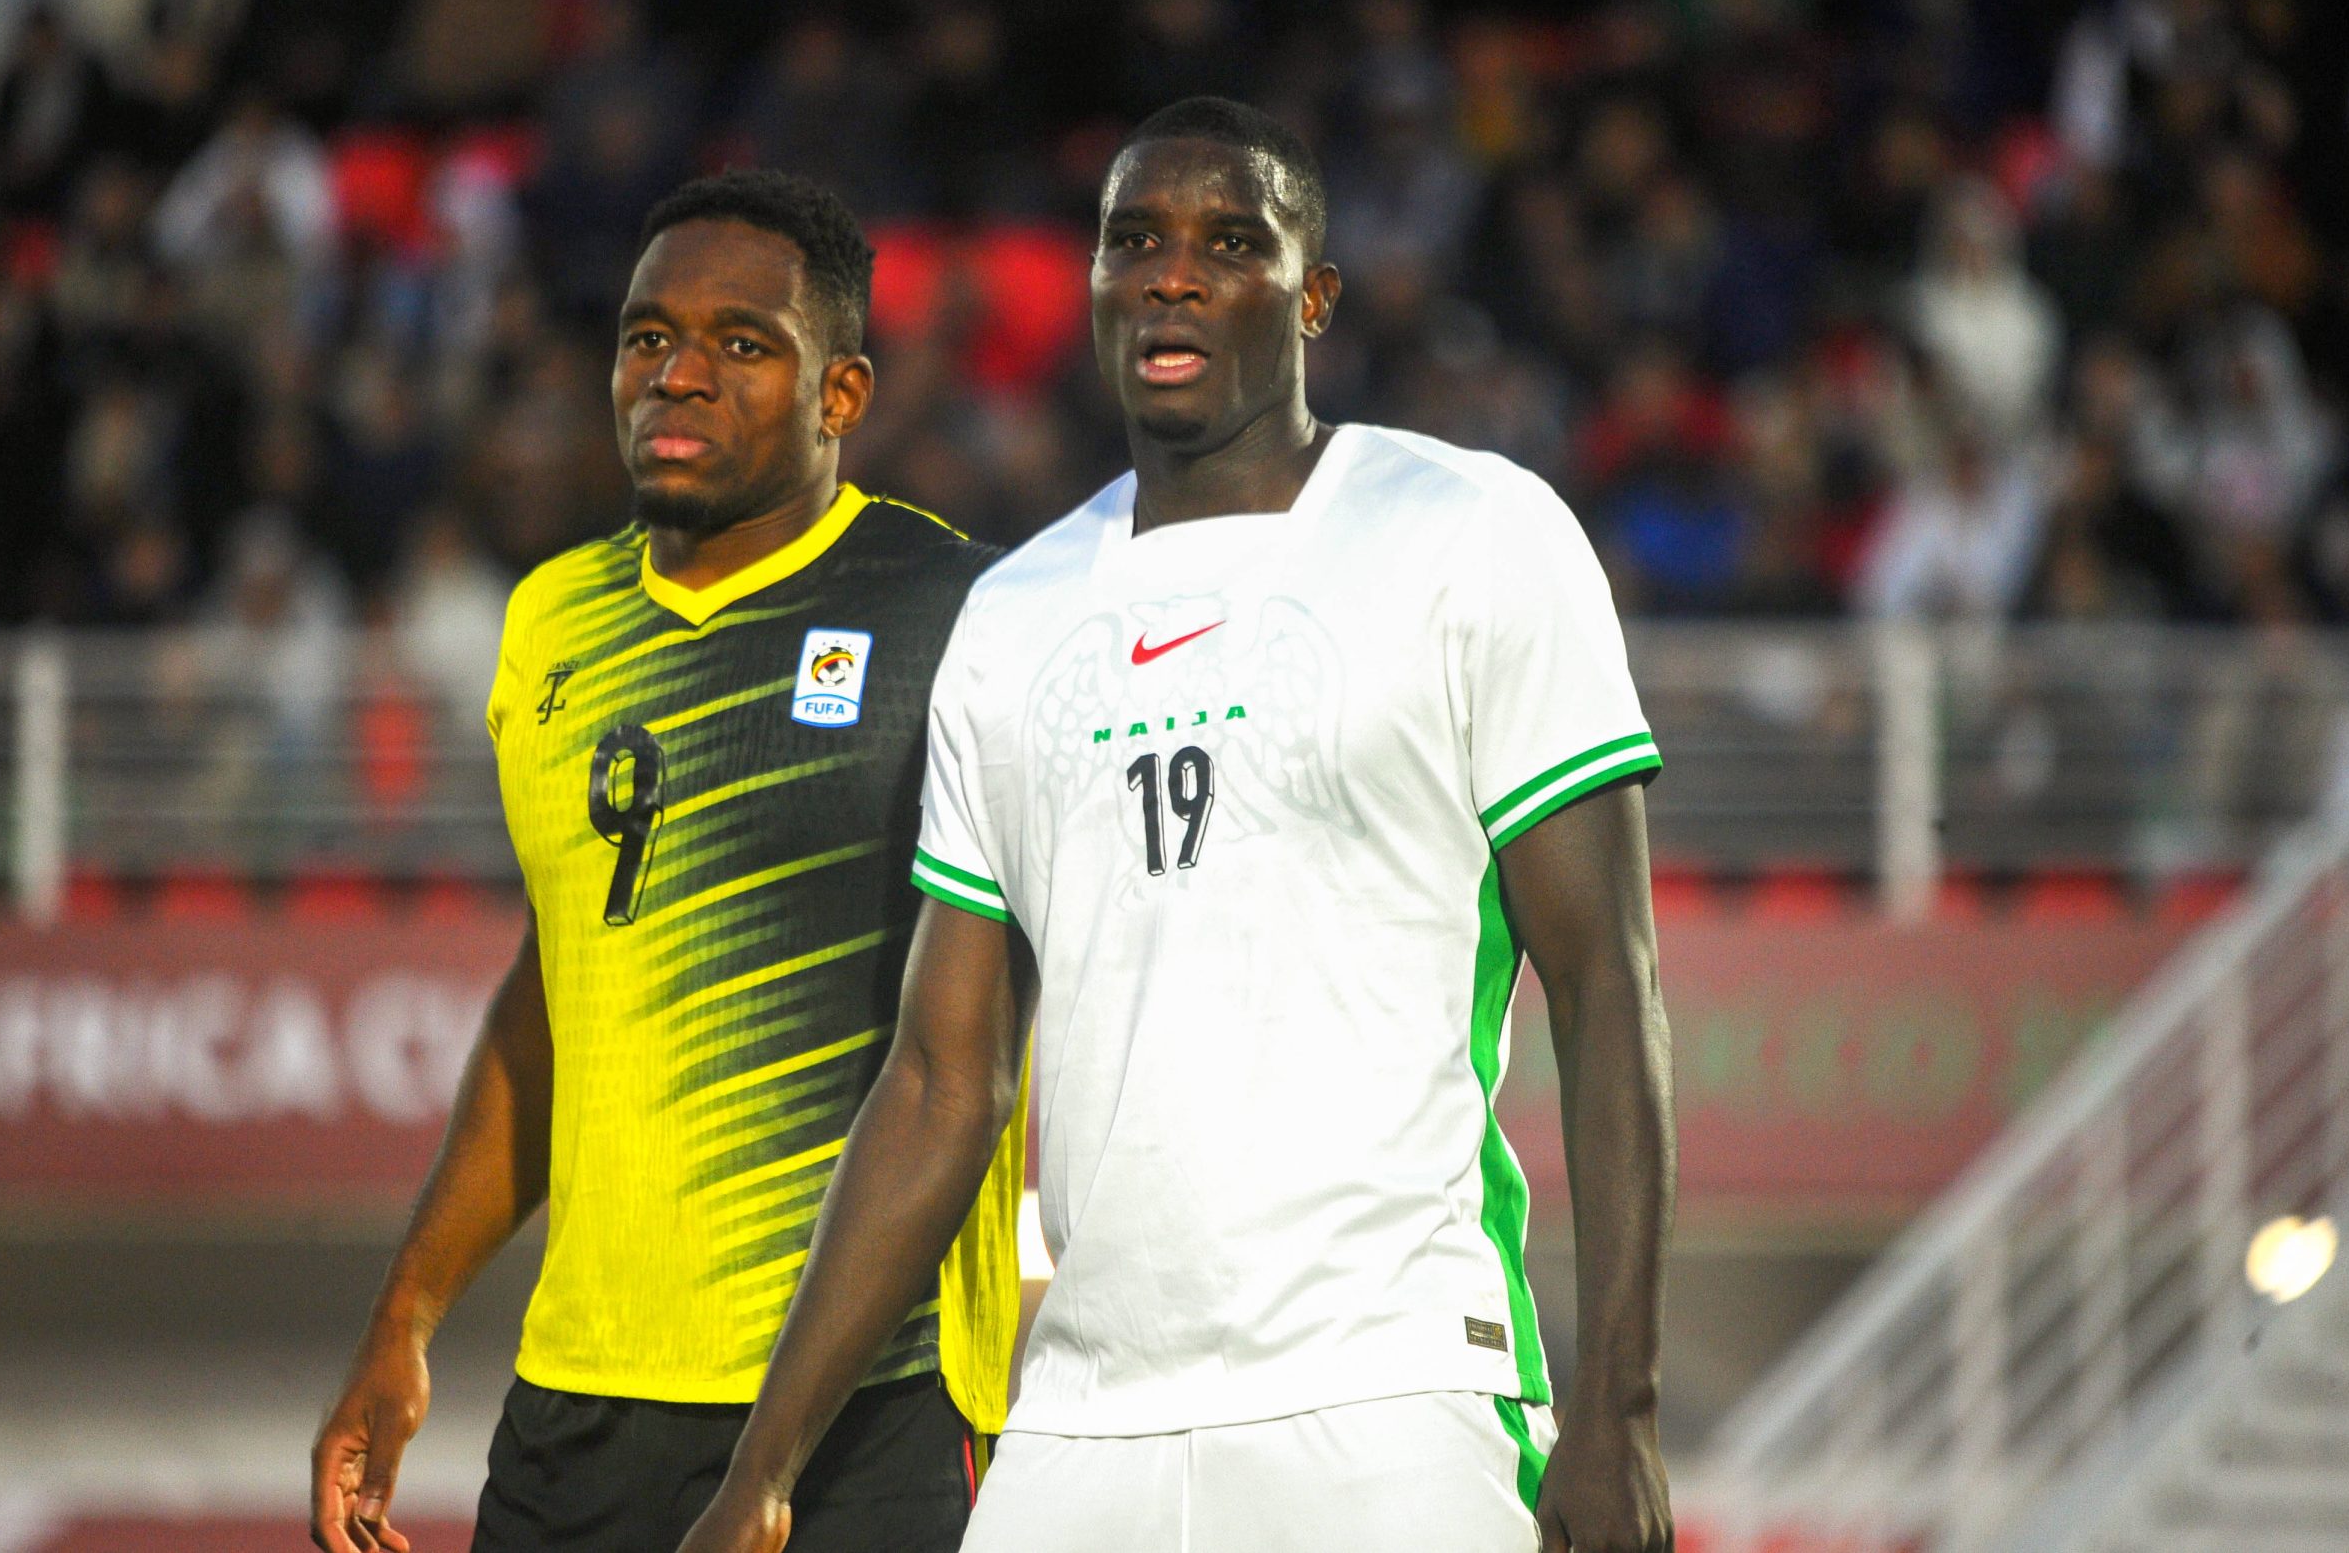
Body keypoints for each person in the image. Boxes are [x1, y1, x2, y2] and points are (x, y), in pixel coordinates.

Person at [679, 96, 1676, 1553]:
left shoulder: (1471, 533)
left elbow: (1605, 983)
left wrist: (1620, 1408)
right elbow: (944, 1082)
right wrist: (760, 1473)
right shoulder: (1014, 615)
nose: (1173, 276)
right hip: (1083, 1420)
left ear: (1314, 297)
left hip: (1394, 1391)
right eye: (1135, 241)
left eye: (1230, 243)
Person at [309, 169, 1023, 1553]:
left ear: (842, 395)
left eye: (742, 343)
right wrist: (405, 1319)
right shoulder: (554, 620)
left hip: (865, 1418)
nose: (678, 375)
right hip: (577, 1409)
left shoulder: (965, 616)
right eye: (650, 337)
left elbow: (984, 1053)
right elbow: (558, 994)